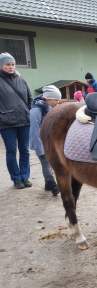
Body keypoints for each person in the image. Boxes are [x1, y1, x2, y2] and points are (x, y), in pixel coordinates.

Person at [0, 52, 33, 189]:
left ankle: (25, 176)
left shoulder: (22, 80)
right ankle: (16, 178)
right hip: (7, 123)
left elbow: (30, 99)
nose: (11, 67)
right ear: (1, 65)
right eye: (7, 64)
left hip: (24, 121)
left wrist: (28, 112)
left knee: (25, 150)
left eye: (13, 64)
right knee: (11, 151)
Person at [29, 85, 61, 196]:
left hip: (50, 141)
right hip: (41, 142)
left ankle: (48, 183)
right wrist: (39, 147)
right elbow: (34, 130)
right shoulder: (36, 111)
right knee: (45, 162)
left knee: (51, 162)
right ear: (47, 98)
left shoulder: (51, 108)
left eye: (58, 100)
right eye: (55, 100)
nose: (57, 102)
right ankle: (51, 183)